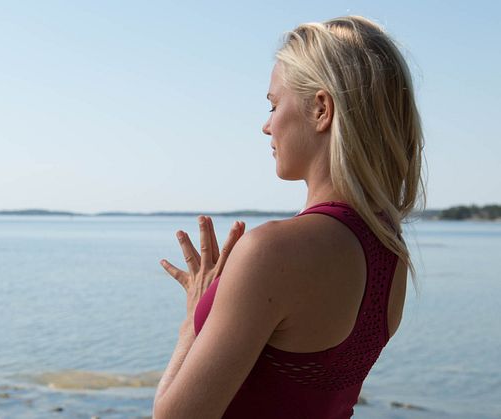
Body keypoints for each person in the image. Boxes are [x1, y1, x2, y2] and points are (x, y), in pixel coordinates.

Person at [152, 16, 425, 419]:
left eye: (273, 105)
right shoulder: (390, 253)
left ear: (321, 109)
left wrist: (194, 321)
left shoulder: (273, 250)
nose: (266, 126)